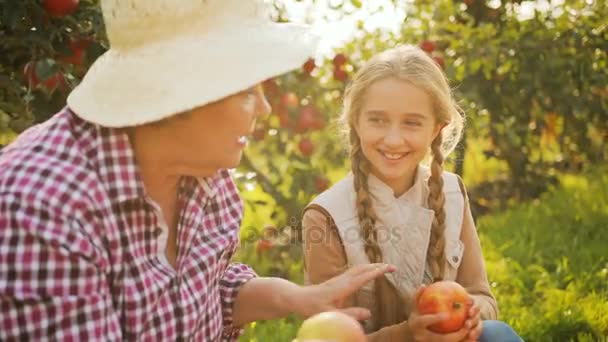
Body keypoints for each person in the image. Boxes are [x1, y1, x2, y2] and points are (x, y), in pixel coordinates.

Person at [0, 0, 396, 340]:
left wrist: (294, 297)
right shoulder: (42, 210)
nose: (264, 108)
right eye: (246, 91)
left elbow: (202, 292)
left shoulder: (206, 175)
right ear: (179, 94)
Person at [302, 45, 523, 341]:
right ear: (356, 121)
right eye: (378, 120)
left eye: (412, 122)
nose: (393, 139)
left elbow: (482, 296)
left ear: (436, 129)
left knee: (497, 335)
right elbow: (328, 336)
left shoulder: (452, 192)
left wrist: (471, 316)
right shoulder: (326, 215)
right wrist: (409, 334)